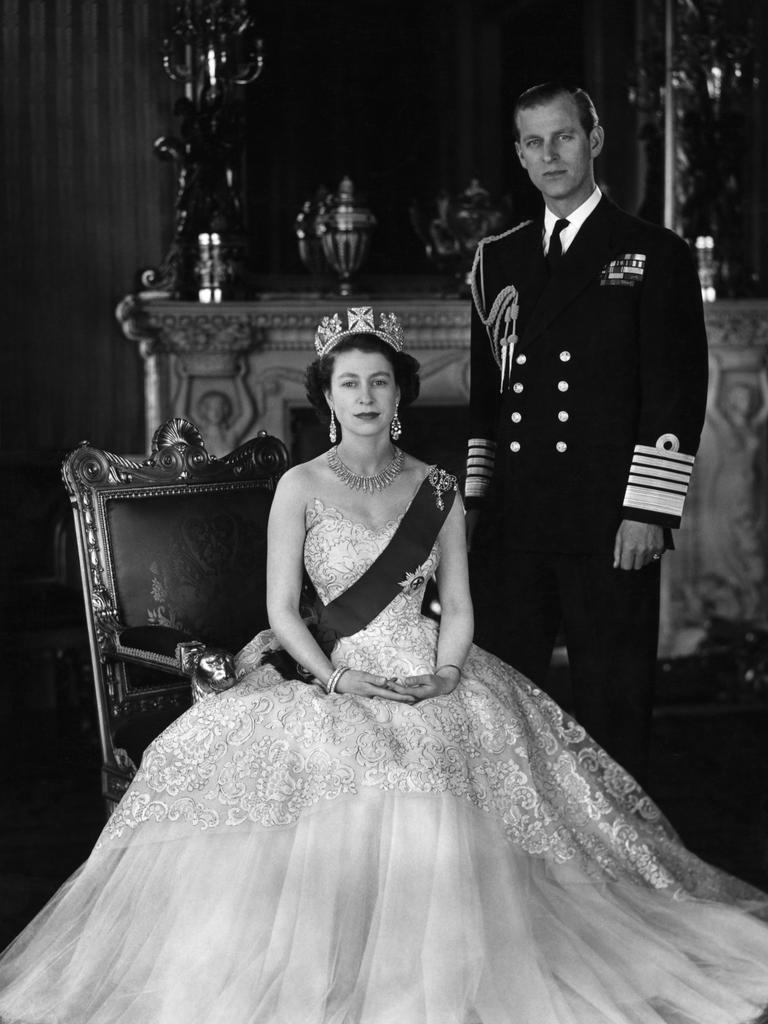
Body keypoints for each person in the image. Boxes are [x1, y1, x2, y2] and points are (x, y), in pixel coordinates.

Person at [1, 307, 767, 1024]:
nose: (365, 395)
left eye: (379, 381)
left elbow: (459, 607)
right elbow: (279, 611)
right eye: (349, 383)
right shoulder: (297, 486)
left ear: (399, 391)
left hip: (429, 672)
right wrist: (336, 681)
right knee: (344, 765)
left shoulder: (437, 488)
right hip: (332, 671)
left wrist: (447, 674)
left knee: (445, 753)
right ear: (326, 397)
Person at [465, 82, 709, 784]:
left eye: (564, 136)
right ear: (519, 154)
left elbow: (675, 394)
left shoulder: (654, 254)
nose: (551, 153)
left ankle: (624, 858)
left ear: (594, 139)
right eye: (535, 142)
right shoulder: (496, 261)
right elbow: (488, 401)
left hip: (610, 521)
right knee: (504, 702)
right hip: (515, 521)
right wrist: (478, 508)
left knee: (614, 704)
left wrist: (649, 512)